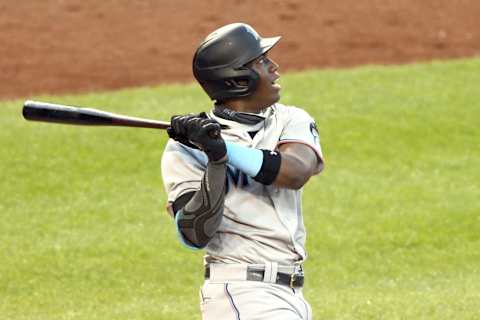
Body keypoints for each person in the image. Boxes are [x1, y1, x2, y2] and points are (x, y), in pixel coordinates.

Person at [161, 22, 324, 320]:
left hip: (291, 294)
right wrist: (215, 162)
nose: (274, 67)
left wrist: (224, 150)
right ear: (238, 80)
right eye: (261, 61)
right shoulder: (184, 150)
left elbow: (296, 172)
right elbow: (194, 235)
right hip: (239, 292)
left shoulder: (290, 120)